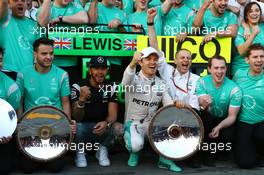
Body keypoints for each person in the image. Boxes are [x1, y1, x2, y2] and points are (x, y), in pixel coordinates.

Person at [16, 38, 76, 173]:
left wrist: (67, 124)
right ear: (35, 54)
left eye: (51, 53)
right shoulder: (23, 73)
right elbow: (20, 101)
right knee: (27, 168)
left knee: (56, 168)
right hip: (31, 126)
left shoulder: (62, 74)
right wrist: (20, 124)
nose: (49, 57)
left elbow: (65, 102)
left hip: (55, 126)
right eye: (44, 54)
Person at [122, 45, 182, 171]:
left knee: (172, 126)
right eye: (148, 59)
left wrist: (176, 103)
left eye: (155, 59)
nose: (153, 62)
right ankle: (134, 152)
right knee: (136, 145)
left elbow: (168, 105)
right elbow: (125, 82)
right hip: (134, 123)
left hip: (152, 122)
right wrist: (132, 64)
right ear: (140, 62)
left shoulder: (161, 83)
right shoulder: (134, 79)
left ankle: (164, 159)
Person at [147, 7, 200, 110]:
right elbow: (154, 47)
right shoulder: (167, 70)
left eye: (188, 58)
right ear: (175, 61)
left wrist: (183, 105)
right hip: (166, 113)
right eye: (182, 57)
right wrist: (150, 23)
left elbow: (195, 109)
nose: (186, 60)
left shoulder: (196, 79)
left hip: (186, 115)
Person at [71, 56, 119, 168]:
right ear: (90, 70)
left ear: (107, 70)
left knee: (118, 127)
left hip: (102, 128)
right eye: (96, 68)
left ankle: (102, 149)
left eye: (103, 68)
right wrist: (82, 100)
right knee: (75, 126)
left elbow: (113, 115)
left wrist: (106, 123)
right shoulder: (78, 87)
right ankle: (80, 151)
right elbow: (76, 117)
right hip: (83, 127)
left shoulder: (111, 86)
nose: (100, 72)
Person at [196, 55, 242, 164]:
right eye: (216, 68)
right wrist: (204, 103)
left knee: (227, 135)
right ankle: (204, 153)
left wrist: (219, 127)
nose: (219, 71)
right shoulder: (202, 82)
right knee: (205, 120)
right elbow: (201, 107)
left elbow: (232, 117)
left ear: (226, 68)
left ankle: (220, 152)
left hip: (224, 120)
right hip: (208, 117)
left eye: (222, 68)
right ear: (209, 69)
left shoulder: (234, 89)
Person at [37, 0, 89, 85]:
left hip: (72, 64)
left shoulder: (74, 5)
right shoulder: (47, 6)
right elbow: (42, 23)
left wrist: (60, 19)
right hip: (50, 64)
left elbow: (84, 19)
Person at [233, 43, 264, 169]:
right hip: (243, 122)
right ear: (247, 60)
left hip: (262, 121)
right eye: (255, 57)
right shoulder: (238, 75)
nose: (259, 60)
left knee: (260, 135)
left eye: (262, 57)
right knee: (245, 163)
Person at [0, 0, 39, 77]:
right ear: (9, 3)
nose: (20, 3)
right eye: (15, 0)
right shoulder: (3, 19)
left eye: (23, 1)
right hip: (7, 71)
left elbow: (39, 50)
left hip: (28, 73)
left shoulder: (34, 25)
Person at [0, 46, 21, 175]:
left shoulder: (11, 86)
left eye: (0, 60)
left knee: (4, 168)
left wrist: (8, 132)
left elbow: (12, 116)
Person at [232, 2, 264, 75]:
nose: (254, 13)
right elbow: (241, 51)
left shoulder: (263, 26)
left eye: (257, 10)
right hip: (242, 69)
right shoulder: (240, 30)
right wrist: (253, 34)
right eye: (250, 11)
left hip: (259, 68)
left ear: (260, 13)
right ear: (246, 15)